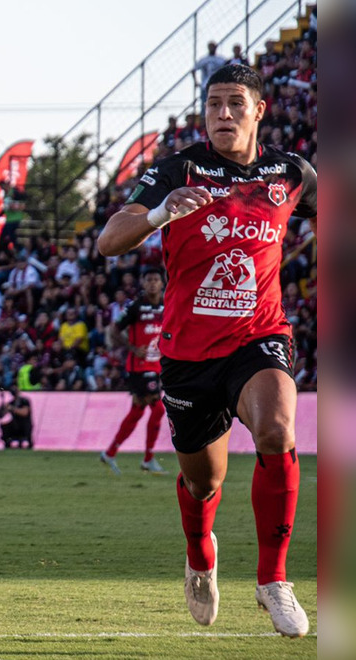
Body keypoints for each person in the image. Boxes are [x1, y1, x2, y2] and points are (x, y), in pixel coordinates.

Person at [97, 64, 316, 638]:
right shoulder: (177, 170)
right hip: (189, 353)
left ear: (258, 111)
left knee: (277, 430)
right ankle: (200, 555)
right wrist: (159, 212)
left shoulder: (291, 173)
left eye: (235, 104)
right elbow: (108, 240)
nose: (223, 114)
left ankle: (274, 580)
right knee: (203, 482)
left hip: (259, 336)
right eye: (214, 104)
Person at [100, 266, 167, 474]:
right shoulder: (136, 306)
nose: (153, 283)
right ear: (143, 283)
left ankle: (110, 453)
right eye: (149, 280)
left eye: (156, 279)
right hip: (139, 366)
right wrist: (132, 348)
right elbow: (114, 330)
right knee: (158, 409)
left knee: (137, 412)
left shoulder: (167, 304)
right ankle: (148, 458)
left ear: (162, 283)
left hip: (157, 365)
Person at [194, 42, 227, 113]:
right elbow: (193, 70)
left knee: (218, 105)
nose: (212, 48)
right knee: (204, 106)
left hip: (218, 85)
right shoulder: (204, 59)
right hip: (205, 86)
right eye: (210, 47)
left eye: (213, 47)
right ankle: (204, 122)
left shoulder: (221, 59)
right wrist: (196, 82)